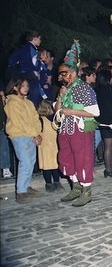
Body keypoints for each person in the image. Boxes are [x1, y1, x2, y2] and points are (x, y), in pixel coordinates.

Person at [55, 40, 100, 207]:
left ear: (73, 72)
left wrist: (72, 112)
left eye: (64, 73)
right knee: (66, 157)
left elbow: (95, 112)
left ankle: (86, 191)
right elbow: (57, 111)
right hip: (65, 129)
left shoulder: (83, 89)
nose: (60, 77)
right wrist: (60, 96)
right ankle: (75, 187)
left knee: (82, 158)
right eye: (59, 74)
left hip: (80, 129)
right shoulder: (66, 89)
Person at [4, 78, 43, 203]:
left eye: (27, 85)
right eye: (23, 86)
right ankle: (21, 192)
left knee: (31, 161)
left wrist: (38, 133)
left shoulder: (28, 103)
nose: (26, 88)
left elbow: (35, 119)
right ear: (15, 87)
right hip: (19, 135)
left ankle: (26, 186)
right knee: (25, 161)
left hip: (30, 135)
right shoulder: (11, 103)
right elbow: (19, 122)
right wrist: (34, 134)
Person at [7, 30, 45, 106]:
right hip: (28, 74)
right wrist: (39, 66)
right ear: (34, 39)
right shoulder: (32, 49)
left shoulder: (24, 47)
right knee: (34, 92)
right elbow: (34, 64)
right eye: (39, 38)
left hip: (22, 73)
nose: (40, 41)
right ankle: (31, 107)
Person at [37, 99, 65, 193]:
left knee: (55, 165)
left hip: (55, 145)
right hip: (45, 146)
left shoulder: (54, 118)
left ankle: (57, 182)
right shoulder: (41, 119)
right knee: (47, 167)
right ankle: (48, 183)